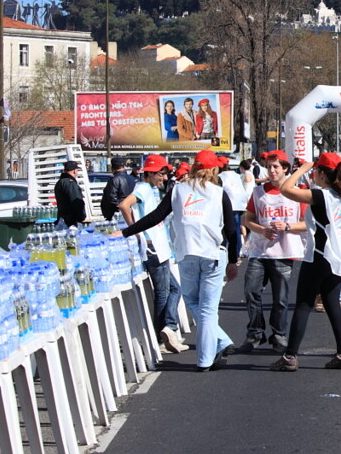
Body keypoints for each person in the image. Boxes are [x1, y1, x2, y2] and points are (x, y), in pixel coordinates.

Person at [116, 149, 238, 372]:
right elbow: (231, 230)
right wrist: (233, 260)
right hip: (213, 254)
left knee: (193, 302)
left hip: (186, 254)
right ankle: (207, 357)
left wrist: (126, 232)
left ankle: (218, 345)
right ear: (213, 170)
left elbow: (154, 217)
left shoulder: (178, 190)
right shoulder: (219, 193)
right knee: (208, 310)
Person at [270, 153, 341, 372]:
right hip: (339, 256)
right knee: (332, 304)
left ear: (322, 174)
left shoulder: (321, 195)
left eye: (316, 172)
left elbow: (286, 190)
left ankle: (290, 357)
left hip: (320, 254)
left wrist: (300, 170)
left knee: (303, 304)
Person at [117, 154, 187, 354]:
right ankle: (164, 335)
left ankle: (168, 329)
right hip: (152, 247)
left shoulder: (152, 190)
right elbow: (124, 205)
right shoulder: (142, 189)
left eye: (164, 175)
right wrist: (136, 232)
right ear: (149, 173)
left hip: (160, 246)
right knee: (164, 292)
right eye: (160, 174)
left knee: (174, 289)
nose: (163, 178)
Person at [239, 150, 305, 354]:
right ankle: (255, 332)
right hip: (259, 251)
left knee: (280, 299)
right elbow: (247, 219)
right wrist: (261, 229)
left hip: (283, 252)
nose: (272, 170)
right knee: (251, 292)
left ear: (285, 168)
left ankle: (279, 334)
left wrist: (287, 226)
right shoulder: (259, 192)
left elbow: (306, 224)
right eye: (269, 167)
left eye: (276, 166)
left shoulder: (297, 192)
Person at [218, 156, 249, 257]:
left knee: (231, 229)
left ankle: (234, 252)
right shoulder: (235, 174)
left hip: (231, 204)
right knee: (236, 228)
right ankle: (237, 250)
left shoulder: (221, 176)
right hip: (241, 203)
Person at [100, 156, 137, 221]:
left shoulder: (114, 180)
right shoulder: (132, 179)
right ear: (124, 167)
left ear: (112, 168)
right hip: (131, 212)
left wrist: (118, 209)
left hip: (118, 215)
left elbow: (112, 199)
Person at [54, 160, 86, 228]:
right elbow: (76, 201)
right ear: (74, 171)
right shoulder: (70, 183)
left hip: (63, 219)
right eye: (77, 170)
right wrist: (81, 216)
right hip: (70, 222)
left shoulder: (61, 182)